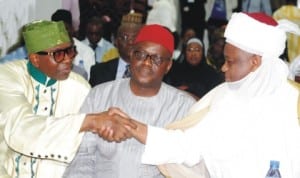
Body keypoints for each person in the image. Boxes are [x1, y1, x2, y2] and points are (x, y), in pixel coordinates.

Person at [117, 12, 300, 177]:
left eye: (229, 61)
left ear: (255, 62)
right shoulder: (223, 99)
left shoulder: (294, 103)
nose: (223, 67)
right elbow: (185, 146)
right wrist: (132, 127)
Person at [0, 20, 135, 178]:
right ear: (35, 59)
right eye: (58, 54)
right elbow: (22, 129)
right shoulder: (7, 77)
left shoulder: (80, 87)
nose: (68, 59)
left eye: (70, 51)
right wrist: (89, 121)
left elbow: (90, 148)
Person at [63, 24, 196, 178]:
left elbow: (186, 164)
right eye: (140, 54)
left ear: (168, 66)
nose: (146, 63)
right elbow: (82, 157)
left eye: (157, 59)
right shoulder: (99, 95)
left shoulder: (183, 107)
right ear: (131, 55)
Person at [89, 11, 144, 87]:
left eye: (135, 38)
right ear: (116, 42)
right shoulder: (98, 71)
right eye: (125, 37)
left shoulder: (150, 72)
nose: (130, 42)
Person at [51, 9, 95, 80]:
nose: (62, 33)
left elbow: (89, 80)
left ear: (72, 28)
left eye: (65, 29)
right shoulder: (47, 50)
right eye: (58, 30)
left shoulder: (86, 51)